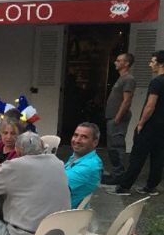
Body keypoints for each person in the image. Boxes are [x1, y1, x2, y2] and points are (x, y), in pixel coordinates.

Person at [114, 51, 164, 196]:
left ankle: (124, 186)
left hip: (151, 125)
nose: (150, 64)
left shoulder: (157, 82)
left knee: (137, 156)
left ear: (160, 63)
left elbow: (150, 105)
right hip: (162, 126)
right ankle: (151, 186)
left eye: (153, 61)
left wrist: (141, 122)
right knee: (158, 157)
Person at [103, 53, 136, 184]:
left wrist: (118, 117)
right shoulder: (121, 78)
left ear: (126, 63)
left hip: (117, 118)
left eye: (118, 60)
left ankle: (119, 176)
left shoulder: (129, 79)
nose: (115, 62)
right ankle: (116, 173)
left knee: (117, 146)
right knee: (112, 147)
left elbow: (127, 100)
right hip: (112, 117)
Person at [65, 122, 103, 208]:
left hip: (63, 215)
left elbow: (55, 188)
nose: (77, 140)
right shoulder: (77, 157)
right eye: (75, 135)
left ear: (95, 142)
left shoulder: (88, 166)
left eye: (84, 137)